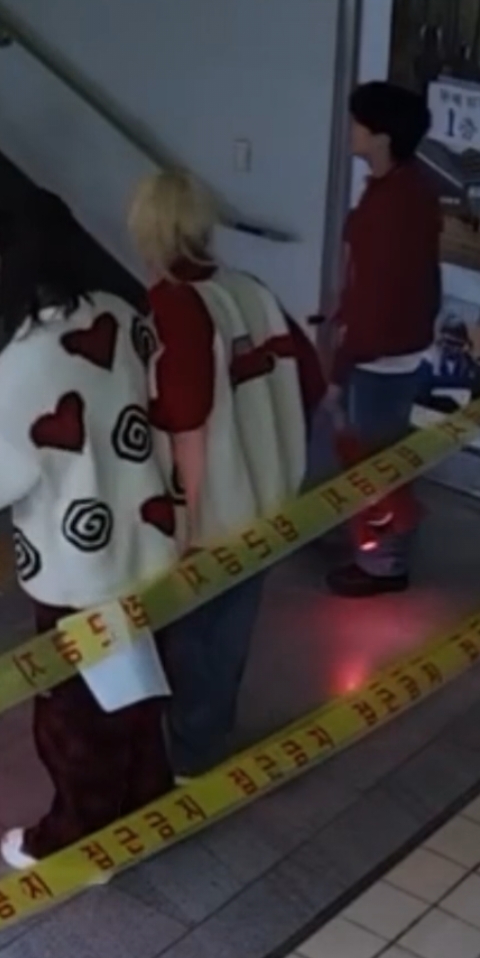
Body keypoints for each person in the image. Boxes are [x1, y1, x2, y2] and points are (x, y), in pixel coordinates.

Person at [0, 191, 179, 867]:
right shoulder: (124, 315)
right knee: (139, 684)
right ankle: (147, 800)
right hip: (148, 537)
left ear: (2, 261)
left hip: (75, 566)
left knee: (75, 710)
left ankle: (77, 835)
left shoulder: (24, 364)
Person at [128, 169, 317, 779]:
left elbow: (186, 422)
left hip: (210, 510)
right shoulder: (250, 289)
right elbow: (311, 380)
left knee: (189, 639)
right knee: (231, 633)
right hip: (266, 498)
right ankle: (208, 739)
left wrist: (182, 523)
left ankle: (188, 755)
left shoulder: (173, 307)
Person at [324, 81, 441, 598]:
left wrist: (340, 364)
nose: (350, 131)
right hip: (394, 350)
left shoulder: (392, 207)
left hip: (380, 358)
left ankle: (383, 564)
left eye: (358, 124)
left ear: (380, 135)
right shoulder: (406, 189)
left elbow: (377, 294)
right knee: (374, 456)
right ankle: (376, 548)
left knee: (376, 465)